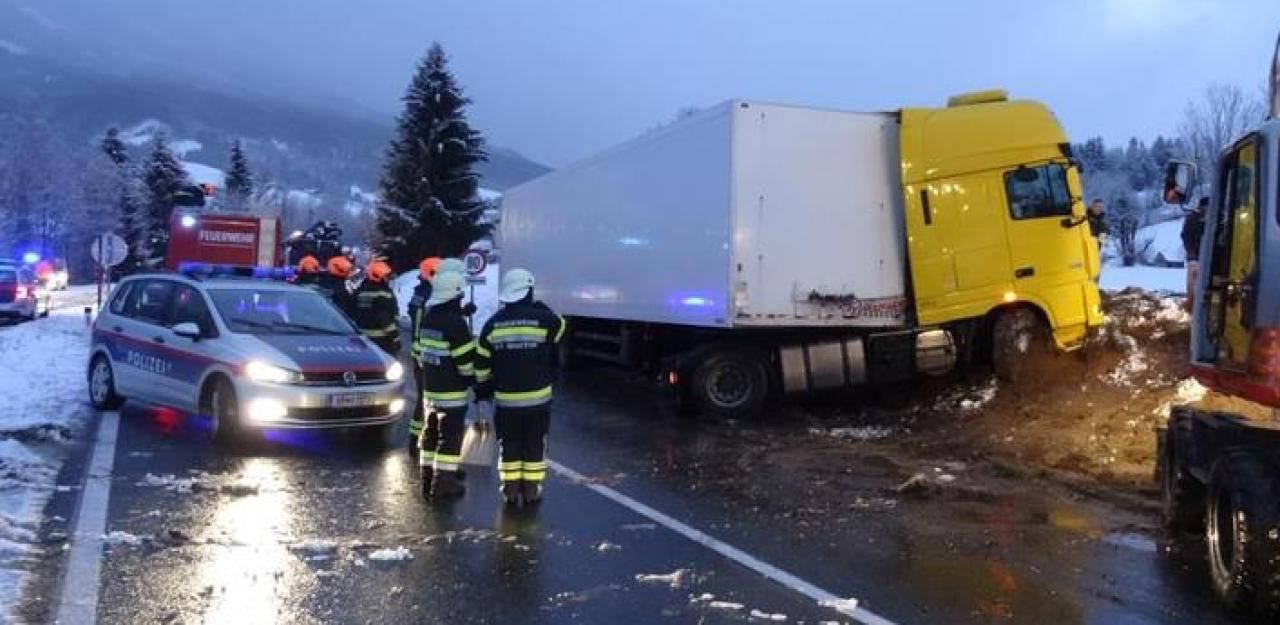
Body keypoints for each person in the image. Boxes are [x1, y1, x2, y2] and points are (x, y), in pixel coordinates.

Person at [475, 268, 566, 506]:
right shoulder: (544, 320)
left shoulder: (492, 324)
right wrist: (542, 308)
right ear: (528, 292)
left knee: (510, 445)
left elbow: (481, 364)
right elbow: (561, 327)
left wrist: (483, 391)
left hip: (506, 402)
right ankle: (531, 491)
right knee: (534, 444)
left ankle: (510, 490)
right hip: (538, 401)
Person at [414, 271, 475, 499]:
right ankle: (444, 484)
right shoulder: (456, 324)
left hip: (430, 392)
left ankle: (427, 479)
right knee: (449, 440)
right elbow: (465, 363)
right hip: (452, 394)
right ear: (455, 296)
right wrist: (473, 380)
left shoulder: (429, 319)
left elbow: (422, 355)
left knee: (429, 435)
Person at [406, 257, 441, 453]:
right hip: (424, 354)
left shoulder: (421, 293)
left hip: (420, 352)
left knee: (424, 397)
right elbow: (424, 323)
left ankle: (416, 439)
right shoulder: (427, 295)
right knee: (426, 397)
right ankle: (419, 442)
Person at [352, 260, 401, 354]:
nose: (388, 279)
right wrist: (395, 337)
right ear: (378, 276)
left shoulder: (360, 291)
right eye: (386, 276)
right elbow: (385, 319)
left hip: (362, 339)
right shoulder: (383, 294)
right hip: (382, 341)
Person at [1182, 197, 1208, 310]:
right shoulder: (1192, 218)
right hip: (1195, 257)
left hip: (1207, 257)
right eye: (1206, 207)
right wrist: (1191, 253)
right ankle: (1191, 303)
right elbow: (1186, 236)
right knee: (1193, 282)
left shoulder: (1213, 218)